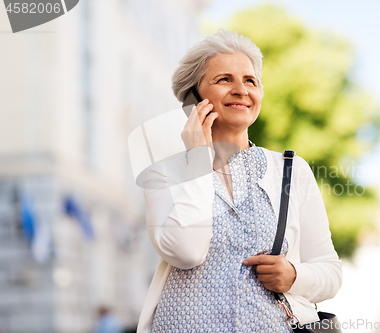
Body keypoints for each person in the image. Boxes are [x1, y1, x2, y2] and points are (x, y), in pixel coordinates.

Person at [137, 29, 342, 333]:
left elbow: (330, 272)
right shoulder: (162, 175)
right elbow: (187, 251)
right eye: (224, 80)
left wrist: (294, 275)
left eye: (250, 81)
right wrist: (197, 158)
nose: (241, 90)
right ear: (194, 98)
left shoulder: (291, 170)